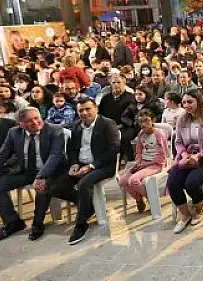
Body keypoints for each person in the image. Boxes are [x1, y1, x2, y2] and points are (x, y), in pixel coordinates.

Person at [50, 97, 120, 245]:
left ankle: (81, 224)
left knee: (84, 184)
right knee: (56, 187)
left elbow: (113, 149)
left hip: (102, 165)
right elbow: (71, 149)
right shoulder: (76, 126)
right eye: (81, 110)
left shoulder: (107, 124)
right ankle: (88, 206)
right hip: (81, 164)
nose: (84, 113)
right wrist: (74, 164)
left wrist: (91, 166)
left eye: (88, 109)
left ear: (96, 109)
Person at [0, 107, 65, 241]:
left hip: (49, 171)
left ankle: (37, 224)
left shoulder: (54, 130)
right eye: (29, 121)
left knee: (42, 187)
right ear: (21, 124)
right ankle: (13, 222)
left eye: (37, 118)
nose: (35, 122)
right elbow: (3, 154)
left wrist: (42, 176)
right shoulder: (14, 133)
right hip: (26, 171)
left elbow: (55, 156)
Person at [167, 90, 203, 235]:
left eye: (190, 102)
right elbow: (178, 142)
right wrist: (184, 154)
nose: (186, 105)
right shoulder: (181, 118)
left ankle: (198, 208)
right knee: (173, 182)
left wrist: (199, 155)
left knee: (191, 182)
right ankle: (185, 214)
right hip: (187, 157)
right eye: (184, 102)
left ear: (198, 101)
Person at [118, 109, 168, 213]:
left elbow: (163, 155)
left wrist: (146, 164)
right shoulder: (141, 134)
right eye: (141, 122)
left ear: (153, 120)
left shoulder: (159, 134)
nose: (143, 124)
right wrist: (137, 163)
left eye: (146, 121)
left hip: (156, 164)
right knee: (122, 181)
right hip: (143, 163)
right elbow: (139, 152)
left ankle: (152, 199)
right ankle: (138, 198)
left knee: (133, 180)